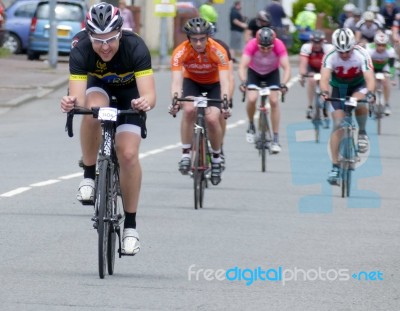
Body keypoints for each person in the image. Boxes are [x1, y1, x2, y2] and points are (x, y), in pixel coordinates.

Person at [60, 2, 156, 255]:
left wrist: (143, 102)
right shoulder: (80, 48)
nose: (104, 47)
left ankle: (131, 228)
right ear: (88, 35)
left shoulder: (135, 46)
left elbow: (149, 95)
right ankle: (89, 176)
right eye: (98, 40)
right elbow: (78, 97)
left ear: (120, 33)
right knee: (92, 112)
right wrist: (71, 102)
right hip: (99, 88)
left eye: (111, 40)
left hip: (129, 95)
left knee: (127, 154)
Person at [169, 17, 230, 185]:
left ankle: (216, 158)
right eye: (194, 39)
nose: (198, 43)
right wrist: (175, 100)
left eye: (202, 39)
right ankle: (186, 154)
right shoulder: (180, 51)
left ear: (208, 37)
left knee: (212, 118)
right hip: (192, 83)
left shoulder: (218, 51)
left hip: (214, 85)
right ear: (188, 38)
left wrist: (225, 102)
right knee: (188, 110)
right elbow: (176, 81)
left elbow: (225, 81)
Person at [320, 28, 375, 186]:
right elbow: (324, 77)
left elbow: (370, 79)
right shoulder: (330, 55)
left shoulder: (361, 54)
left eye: (347, 51)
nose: (344, 55)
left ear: (353, 46)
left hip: (358, 85)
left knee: (359, 103)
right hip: (339, 87)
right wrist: (324, 92)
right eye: (340, 52)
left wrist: (369, 93)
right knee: (337, 125)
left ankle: (362, 132)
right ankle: (335, 166)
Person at [238, 27, 290, 154]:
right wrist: (244, 81)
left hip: (272, 73)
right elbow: (242, 66)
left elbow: (287, 68)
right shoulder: (251, 45)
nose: (266, 50)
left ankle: (276, 139)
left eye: (269, 47)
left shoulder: (279, 45)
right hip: (254, 73)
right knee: (252, 98)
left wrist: (283, 84)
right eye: (262, 47)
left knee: (273, 101)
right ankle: (251, 125)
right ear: (257, 43)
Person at [298, 30, 334, 120]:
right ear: (311, 41)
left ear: (323, 41)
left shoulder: (329, 48)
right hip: (312, 68)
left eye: (319, 42)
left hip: (324, 68)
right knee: (311, 80)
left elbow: (332, 64)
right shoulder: (306, 47)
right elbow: (303, 64)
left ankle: (326, 106)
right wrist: (302, 75)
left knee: (327, 83)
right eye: (315, 42)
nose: (317, 45)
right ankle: (310, 106)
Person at [366, 32, 396, 115]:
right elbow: (366, 65)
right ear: (375, 44)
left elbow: (391, 66)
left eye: (383, 45)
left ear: (386, 45)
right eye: (379, 45)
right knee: (373, 85)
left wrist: (392, 77)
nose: (381, 47)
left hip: (384, 67)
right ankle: (371, 102)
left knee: (386, 83)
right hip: (372, 67)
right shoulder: (369, 49)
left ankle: (386, 104)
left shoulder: (390, 50)